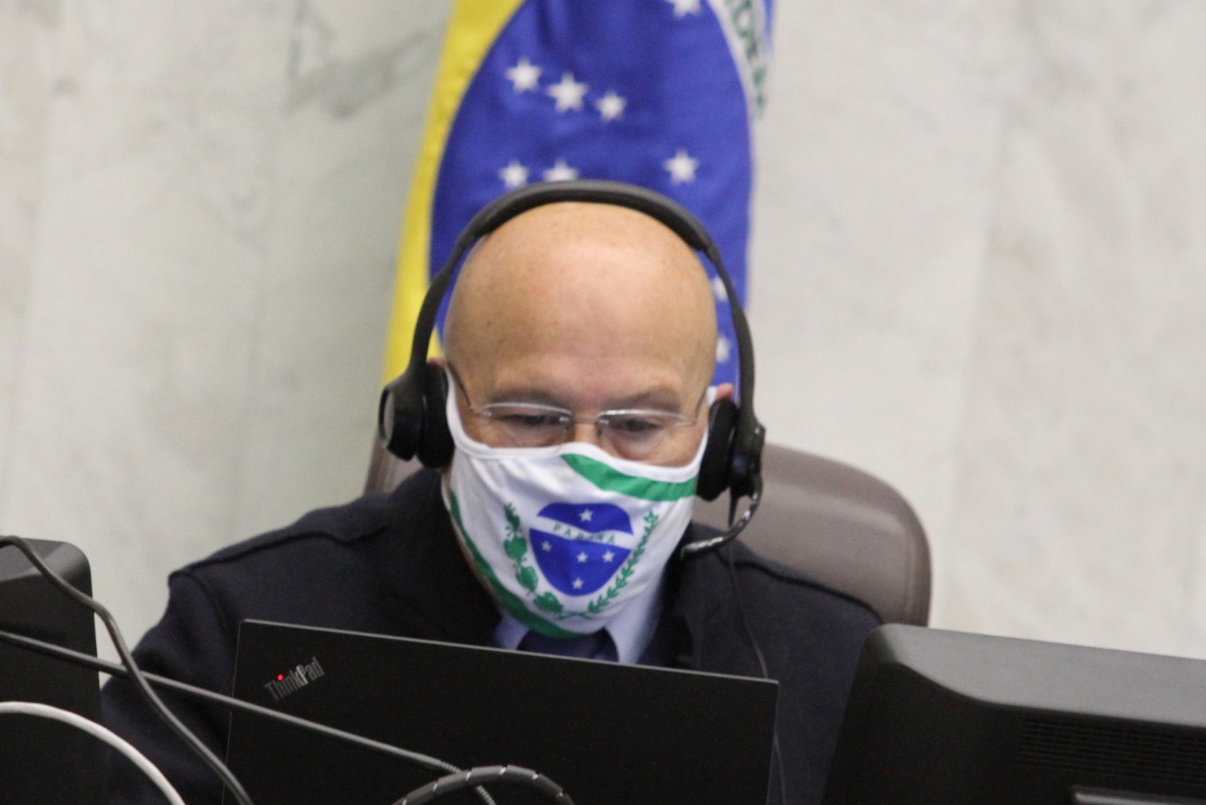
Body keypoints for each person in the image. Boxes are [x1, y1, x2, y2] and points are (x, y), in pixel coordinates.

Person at [102, 185, 881, 804]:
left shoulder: (838, 668)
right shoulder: (242, 625)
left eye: (638, 425)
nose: (584, 466)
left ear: (719, 441)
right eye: (531, 416)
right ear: (434, 413)